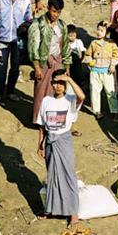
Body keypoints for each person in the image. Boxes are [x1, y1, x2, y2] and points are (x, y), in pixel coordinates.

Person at [36, 69, 85, 226]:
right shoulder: (46, 101)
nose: (58, 86)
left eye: (61, 83)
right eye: (55, 83)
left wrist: (69, 80)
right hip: (50, 141)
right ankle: (50, 209)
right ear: (51, 84)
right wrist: (40, 145)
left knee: (68, 175)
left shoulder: (70, 100)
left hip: (63, 141)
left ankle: (73, 213)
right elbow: (42, 125)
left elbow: (82, 96)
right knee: (52, 176)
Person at [28, 0, 71, 124]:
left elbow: (66, 46)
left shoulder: (62, 25)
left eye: (59, 12)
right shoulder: (38, 24)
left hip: (58, 62)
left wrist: (67, 66)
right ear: (48, 8)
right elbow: (33, 46)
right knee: (42, 93)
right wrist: (36, 67)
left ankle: (56, 120)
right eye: (54, 11)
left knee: (58, 92)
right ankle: (41, 121)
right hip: (43, 64)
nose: (56, 15)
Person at [83, 21, 118, 121]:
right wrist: (90, 62)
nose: (99, 32)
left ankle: (115, 111)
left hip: (107, 71)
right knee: (95, 91)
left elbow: (116, 55)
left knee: (110, 91)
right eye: (98, 30)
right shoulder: (93, 43)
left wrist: (112, 65)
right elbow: (87, 55)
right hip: (95, 71)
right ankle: (97, 111)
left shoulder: (111, 43)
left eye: (102, 30)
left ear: (107, 32)